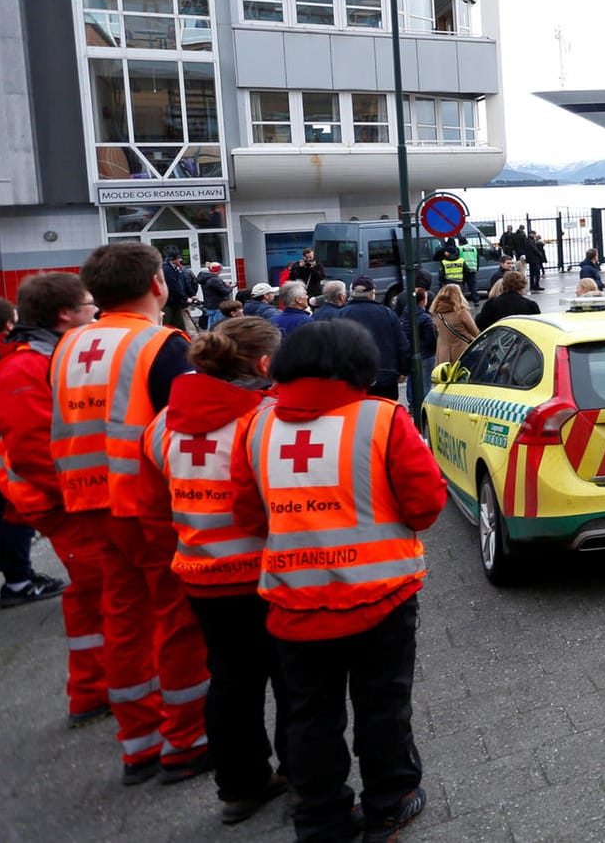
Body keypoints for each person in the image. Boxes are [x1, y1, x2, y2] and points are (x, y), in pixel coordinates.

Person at [229, 320, 443, 843]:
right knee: (383, 706)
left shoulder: (254, 428)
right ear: (360, 368)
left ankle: (320, 817)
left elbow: (247, 516)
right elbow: (426, 506)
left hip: (294, 604)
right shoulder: (384, 421)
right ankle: (390, 803)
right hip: (382, 599)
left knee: (308, 714)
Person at [49, 243, 211, 784]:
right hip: (147, 505)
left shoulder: (68, 346)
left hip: (87, 501)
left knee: (122, 617)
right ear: (159, 285)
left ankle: (138, 743)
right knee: (178, 617)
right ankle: (186, 741)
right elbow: (190, 431)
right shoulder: (161, 345)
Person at [140, 318, 289, 825]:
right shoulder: (269, 418)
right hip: (270, 573)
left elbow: (153, 506)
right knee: (294, 680)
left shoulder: (161, 424)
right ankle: (304, 776)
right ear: (265, 364)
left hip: (202, 574)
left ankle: (240, 787)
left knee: (229, 680)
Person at [0, 274, 102, 728]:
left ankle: (101, 688)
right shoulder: (21, 368)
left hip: (71, 498)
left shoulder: (45, 358)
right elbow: (38, 452)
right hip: (63, 503)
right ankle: (94, 691)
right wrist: (86, 494)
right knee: (97, 595)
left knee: (102, 594)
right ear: (63, 314)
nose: (95, 311)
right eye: (89, 305)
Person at [0, 297, 67, 607]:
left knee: (3, 513)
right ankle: (18, 582)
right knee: (15, 514)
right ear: (8, 325)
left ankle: (15, 574)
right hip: (6, 447)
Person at [334, 277, 410, 400]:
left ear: (352, 293)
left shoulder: (341, 314)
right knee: (385, 414)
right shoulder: (387, 313)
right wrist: (403, 370)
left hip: (352, 378)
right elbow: (401, 344)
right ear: (372, 293)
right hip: (385, 376)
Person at [392, 277, 437, 426]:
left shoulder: (406, 313)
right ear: (423, 301)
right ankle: (422, 407)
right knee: (424, 382)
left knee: (412, 380)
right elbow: (431, 339)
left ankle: (412, 405)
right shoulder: (425, 318)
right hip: (425, 354)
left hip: (411, 352)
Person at [431, 284, 479, 365]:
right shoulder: (461, 313)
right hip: (461, 352)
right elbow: (475, 332)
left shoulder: (437, 314)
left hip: (442, 354)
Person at [476, 271, 541, 329]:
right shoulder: (530, 305)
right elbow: (537, 327)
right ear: (523, 285)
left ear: (504, 284)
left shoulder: (492, 304)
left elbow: (481, 324)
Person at [161, 251, 197, 331]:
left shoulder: (177, 269)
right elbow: (173, 286)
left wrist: (192, 295)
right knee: (167, 325)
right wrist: (185, 298)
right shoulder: (167, 269)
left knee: (179, 325)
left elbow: (184, 283)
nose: (180, 260)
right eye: (178, 258)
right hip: (169, 302)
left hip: (177, 302)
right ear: (173, 259)